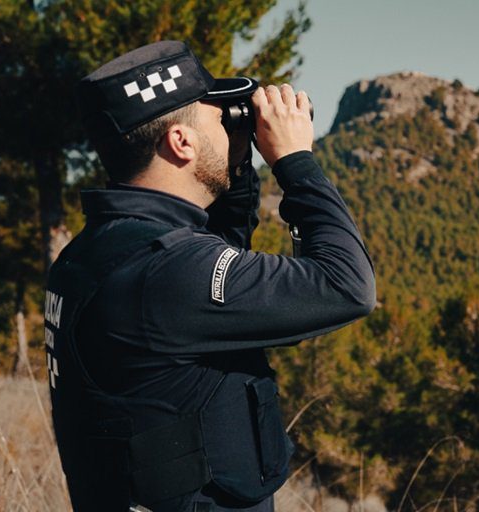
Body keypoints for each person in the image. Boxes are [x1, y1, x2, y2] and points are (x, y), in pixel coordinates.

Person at [44, 40, 376, 512]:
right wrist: (295, 162)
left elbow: (218, 266)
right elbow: (346, 286)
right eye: (218, 120)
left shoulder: (98, 250)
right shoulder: (166, 269)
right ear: (182, 142)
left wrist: (235, 167)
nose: (230, 126)